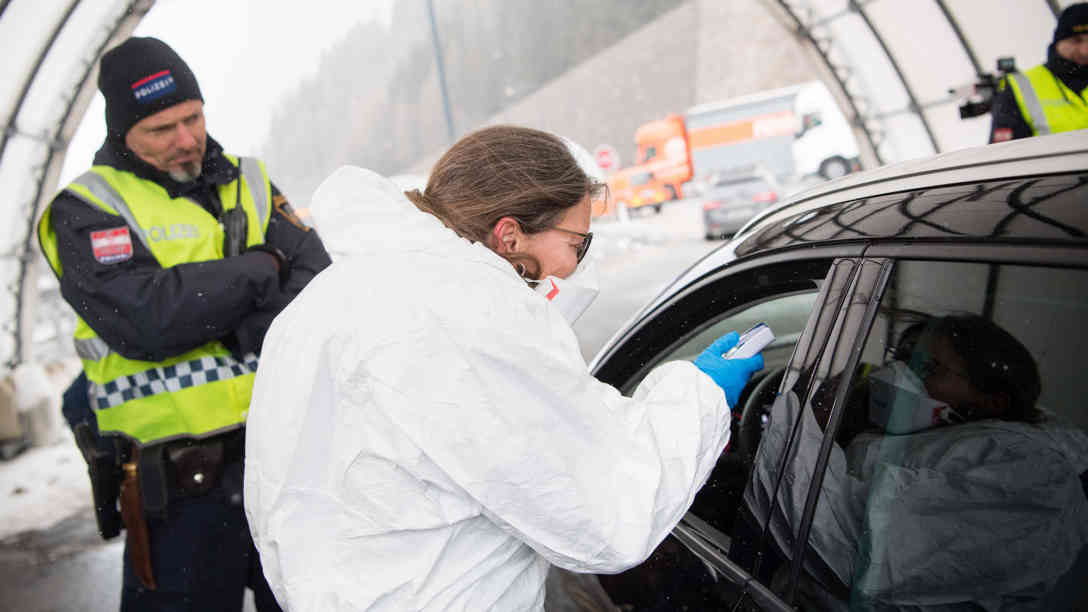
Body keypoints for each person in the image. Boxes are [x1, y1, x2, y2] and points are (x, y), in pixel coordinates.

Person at [243, 125, 766, 611]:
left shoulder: (330, 299)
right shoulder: (467, 314)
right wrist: (700, 395)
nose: (572, 268)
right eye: (576, 244)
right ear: (509, 234)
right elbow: (605, 513)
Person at [36, 37, 331, 611]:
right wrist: (260, 267)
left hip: (285, 469)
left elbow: (315, 280)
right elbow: (146, 319)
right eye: (162, 129)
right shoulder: (86, 209)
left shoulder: (247, 179)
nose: (187, 139)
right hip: (177, 497)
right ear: (123, 132)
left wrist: (232, 320)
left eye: (193, 118)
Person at [746, 314, 1088, 610]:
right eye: (905, 358)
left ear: (991, 401)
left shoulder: (1031, 477)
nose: (900, 373)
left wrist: (804, 424)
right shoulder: (944, 435)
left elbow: (856, 551)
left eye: (927, 368)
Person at [989, 3, 1088, 142]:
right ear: (1058, 42)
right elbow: (1003, 155)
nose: (1085, 50)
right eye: (1076, 41)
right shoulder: (1019, 87)